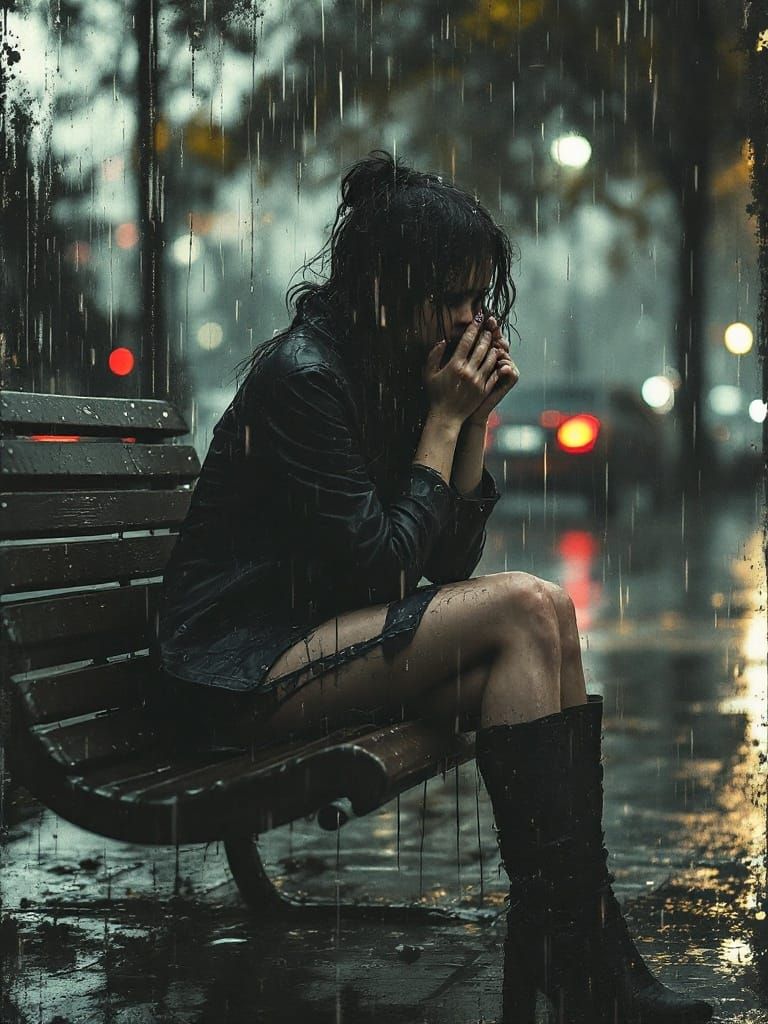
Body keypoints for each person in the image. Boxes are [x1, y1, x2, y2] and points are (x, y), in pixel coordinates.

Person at [157, 151, 713, 1023]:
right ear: (388, 288)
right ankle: (579, 962)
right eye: (449, 298)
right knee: (527, 604)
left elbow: (445, 569)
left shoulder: (383, 370)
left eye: (476, 297)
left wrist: (472, 424)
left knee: (545, 620)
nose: (468, 318)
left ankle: (586, 950)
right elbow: (386, 571)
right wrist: (445, 419)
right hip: (235, 671)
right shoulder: (304, 380)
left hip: (310, 642)